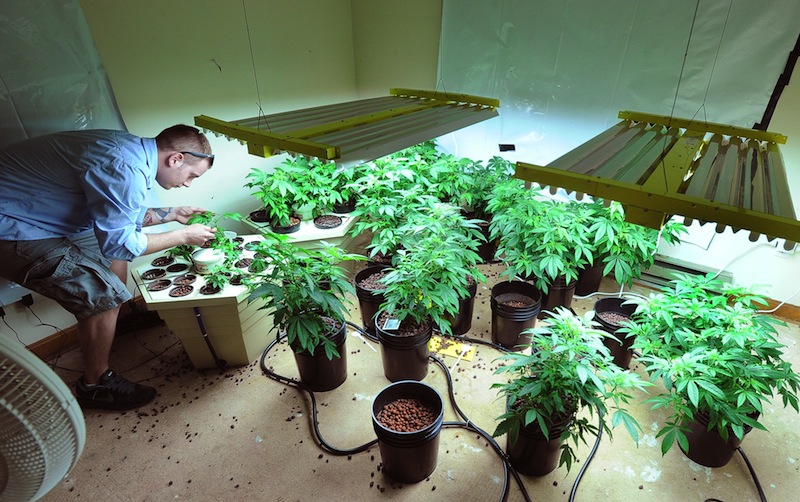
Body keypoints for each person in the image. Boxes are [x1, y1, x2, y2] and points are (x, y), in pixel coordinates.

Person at [0, 124, 217, 410]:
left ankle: (118, 319)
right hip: (11, 226)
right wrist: (183, 236)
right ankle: (95, 385)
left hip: (36, 214)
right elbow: (121, 243)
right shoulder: (123, 164)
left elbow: (119, 214)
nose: (188, 183)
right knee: (102, 293)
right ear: (175, 158)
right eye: (191, 175)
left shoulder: (129, 149)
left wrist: (173, 214)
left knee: (112, 264)